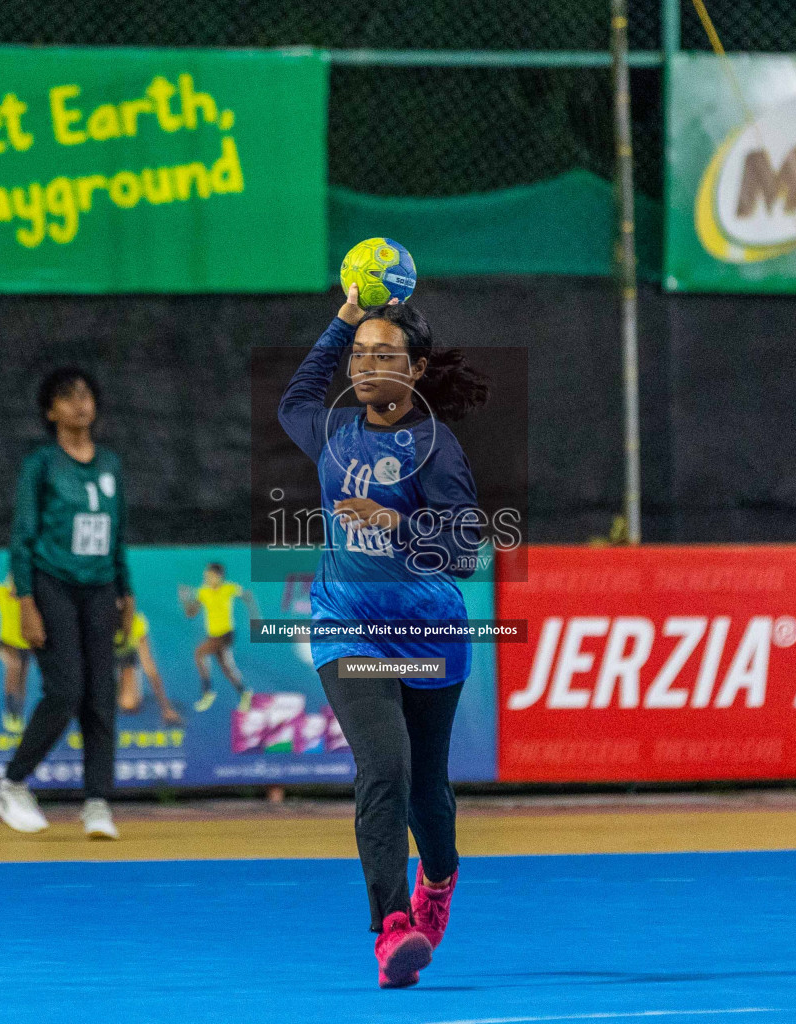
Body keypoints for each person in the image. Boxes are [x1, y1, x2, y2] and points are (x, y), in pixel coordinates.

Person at [278, 284, 489, 988]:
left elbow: (467, 549)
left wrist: (397, 523)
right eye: (360, 354)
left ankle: (439, 878)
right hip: (347, 628)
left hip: (429, 633)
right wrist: (343, 316)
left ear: (416, 369)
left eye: (385, 354)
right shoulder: (333, 432)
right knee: (386, 767)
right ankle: (392, 928)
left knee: (427, 787)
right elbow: (295, 397)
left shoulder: (436, 446)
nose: (368, 366)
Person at [0, 367, 134, 841]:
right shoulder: (42, 465)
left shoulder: (110, 464)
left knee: (100, 696)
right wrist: (26, 602)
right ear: (51, 411)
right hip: (52, 585)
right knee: (65, 689)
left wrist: (126, 593)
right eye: (67, 398)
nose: (80, 405)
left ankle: (96, 802)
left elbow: (117, 534)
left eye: (86, 395)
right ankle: (8, 784)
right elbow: (21, 539)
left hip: (101, 587)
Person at [180, 562, 259, 713]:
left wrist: (254, 617)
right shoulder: (203, 592)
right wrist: (185, 599)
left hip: (226, 634)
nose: (206, 579)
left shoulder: (229, 588)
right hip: (213, 635)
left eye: (209, 576)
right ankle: (244, 693)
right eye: (205, 576)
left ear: (218, 576)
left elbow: (247, 596)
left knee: (199, 653)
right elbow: (190, 613)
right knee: (227, 668)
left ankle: (208, 692)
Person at [116, 607, 184, 726]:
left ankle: (126, 678)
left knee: (128, 704)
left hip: (126, 661)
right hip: (104, 663)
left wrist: (166, 708)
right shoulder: (96, 620)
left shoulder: (136, 622)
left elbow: (149, 667)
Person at [0, 576, 32, 733]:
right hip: (6, 642)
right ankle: (9, 711)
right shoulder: (0, 590)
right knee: (14, 667)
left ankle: (18, 713)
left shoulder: (28, 594)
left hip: (26, 643)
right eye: (11, 579)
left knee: (22, 678)